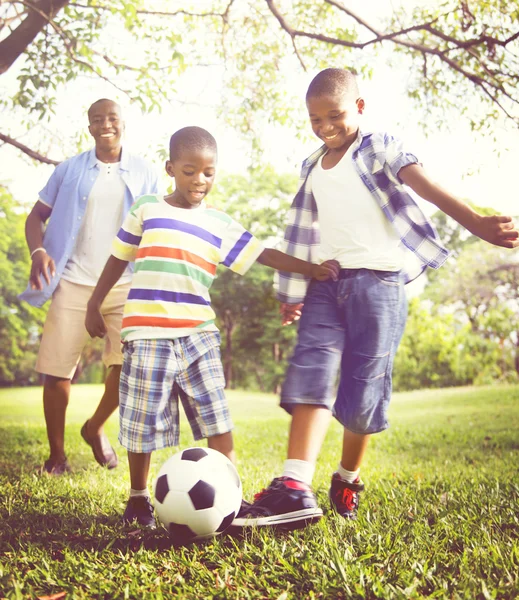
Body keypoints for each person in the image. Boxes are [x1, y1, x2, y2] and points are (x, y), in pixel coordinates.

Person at [234, 68, 519, 530]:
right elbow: (301, 233)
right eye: (315, 119)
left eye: (336, 115)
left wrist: (475, 223)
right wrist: (293, 293)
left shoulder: (379, 147)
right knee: (311, 366)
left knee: (365, 388)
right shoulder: (311, 167)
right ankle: (293, 485)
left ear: (360, 109)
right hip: (327, 282)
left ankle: (347, 478)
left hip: (380, 284)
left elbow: (423, 184)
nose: (325, 126)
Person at [84, 126, 340, 528]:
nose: (199, 181)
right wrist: (94, 303)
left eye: (208, 172)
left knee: (217, 420)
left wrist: (310, 268)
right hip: (146, 335)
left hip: (199, 336)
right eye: (189, 171)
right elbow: (118, 258)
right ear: (170, 168)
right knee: (141, 424)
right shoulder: (147, 209)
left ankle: (232, 502)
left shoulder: (219, 224)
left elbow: (264, 254)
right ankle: (138, 498)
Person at [20, 99, 160, 475]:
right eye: (97, 119)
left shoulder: (145, 172)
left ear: (123, 123)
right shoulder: (70, 170)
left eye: (112, 118)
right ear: (89, 128)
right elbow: (36, 216)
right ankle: (57, 456)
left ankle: (94, 426)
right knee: (56, 370)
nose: (105, 124)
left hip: (125, 283)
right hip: (72, 281)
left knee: (126, 365)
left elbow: (157, 226)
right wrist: (38, 251)